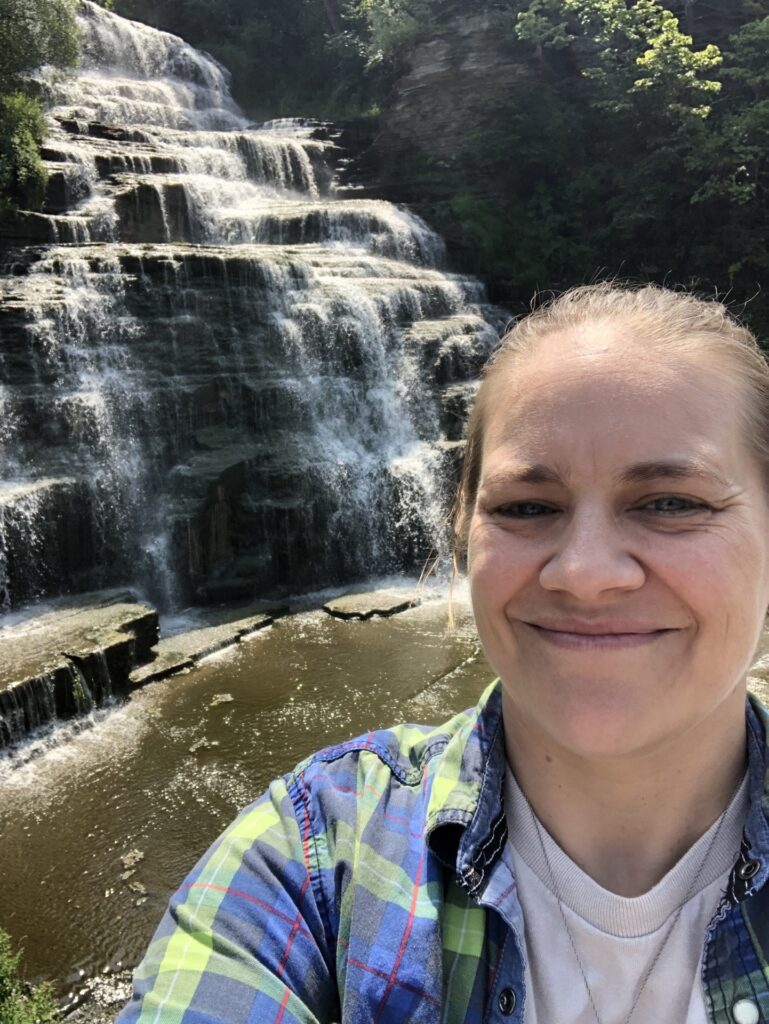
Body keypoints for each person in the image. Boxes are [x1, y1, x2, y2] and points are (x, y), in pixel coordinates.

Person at [117, 283, 769, 1024]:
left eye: (671, 503)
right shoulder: (309, 856)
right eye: (527, 508)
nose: (584, 574)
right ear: (463, 528)